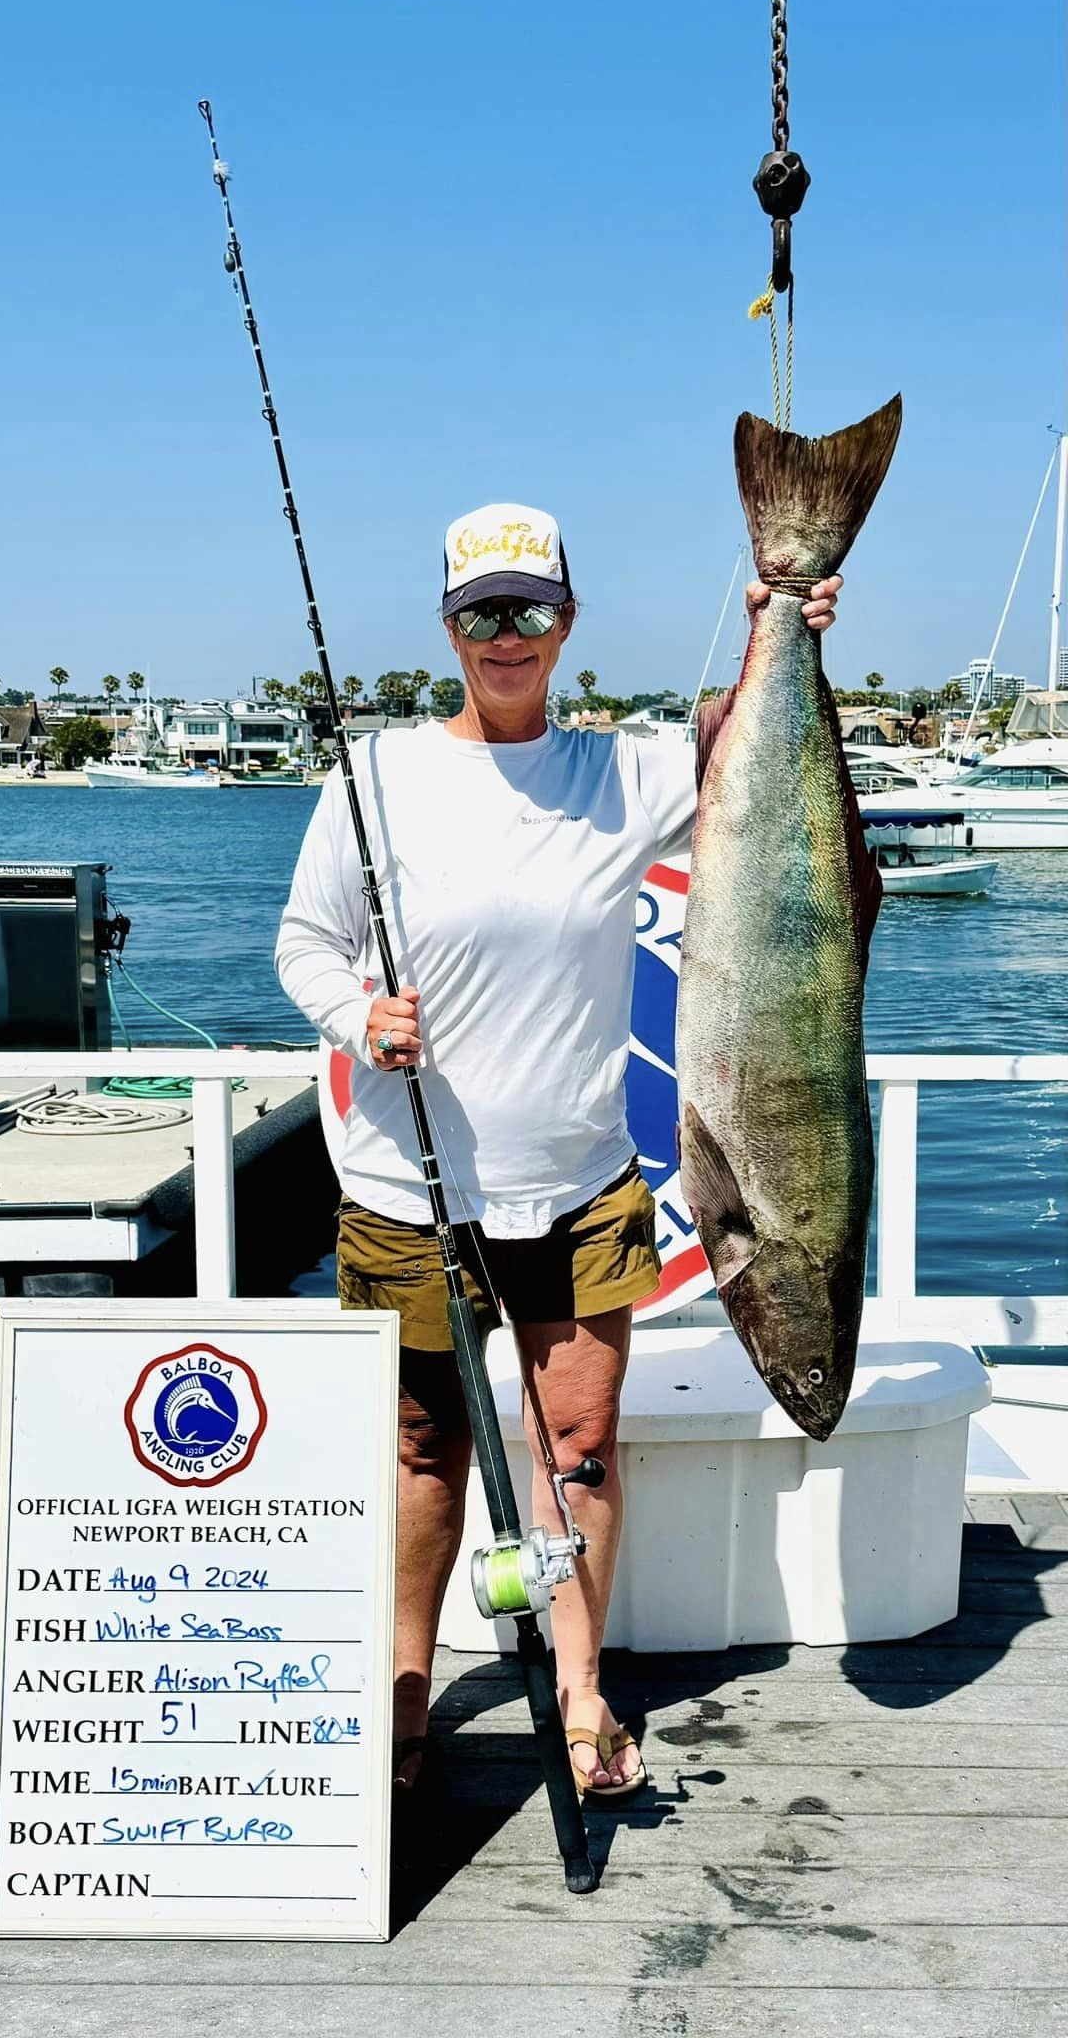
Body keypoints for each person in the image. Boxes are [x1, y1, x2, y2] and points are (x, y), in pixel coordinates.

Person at [275, 504, 840, 1799]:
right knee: (425, 1447)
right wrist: (358, 1013)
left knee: (578, 1447)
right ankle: (406, 1694)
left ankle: (583, 1692)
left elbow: (757, 756)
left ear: (568, 623)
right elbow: (304, 944)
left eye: (532, 611)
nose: (508, 636)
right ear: (448, 630)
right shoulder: (376, 779)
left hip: (583, 1183)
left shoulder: (626, 772)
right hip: (402, 1184)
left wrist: (786, 626)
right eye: (484, 614)